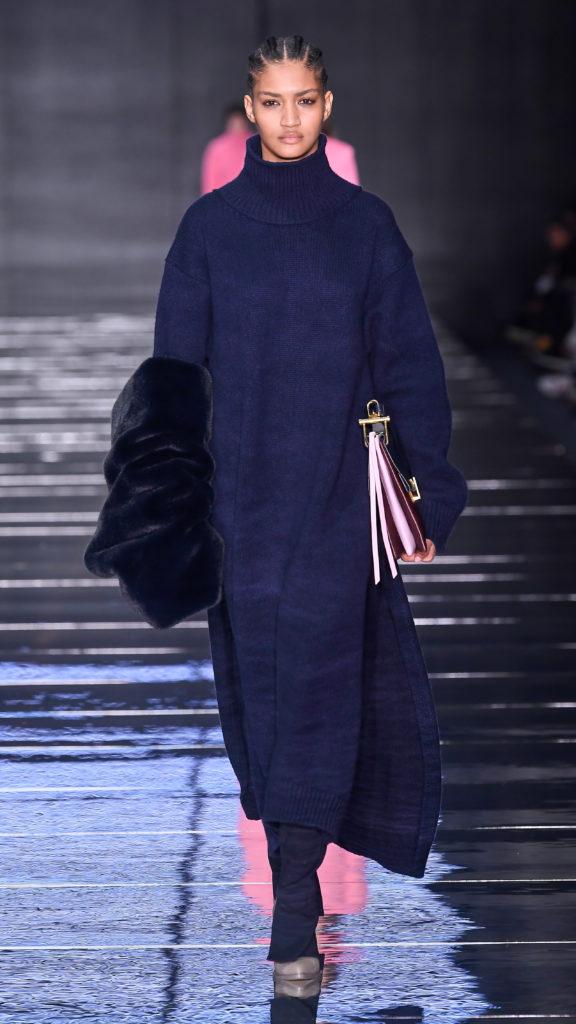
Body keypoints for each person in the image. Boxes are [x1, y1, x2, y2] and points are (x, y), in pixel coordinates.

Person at [151, 35, 467, 987]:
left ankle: (294, 919)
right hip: (239, 507)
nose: (288, 118)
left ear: (328, 107)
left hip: (334, 501)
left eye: (305, 100)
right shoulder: (208, 230)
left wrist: (427, 490)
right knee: (267, 705)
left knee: (320, 700)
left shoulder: (366, 227)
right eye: (272, 101)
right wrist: (171, 504)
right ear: (249, 109)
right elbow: (175, 379)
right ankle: (297, 905)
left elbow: (409, 363)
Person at [200, 102, 253, 194]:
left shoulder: (257, 144)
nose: (237, 127)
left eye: (240, 123)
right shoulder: (217, 148)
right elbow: (211, 181)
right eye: (233, 123)